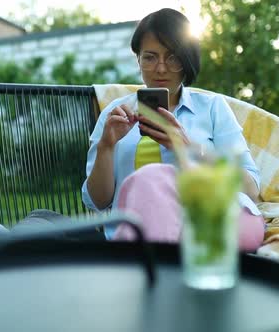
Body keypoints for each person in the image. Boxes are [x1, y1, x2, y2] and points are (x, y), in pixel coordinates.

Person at [81, 8, 265, 252]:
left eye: (173, 58)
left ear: (187, 60)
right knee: (148, 181)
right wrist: (106, 146)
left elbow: (251, 188)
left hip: (211, 218)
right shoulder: (115, 115)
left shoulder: (212, 108)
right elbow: (97, 201)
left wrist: (188, 149)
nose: (160, 69)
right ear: (138, 59)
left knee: (154, 180)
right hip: (142, 229)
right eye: (150, 57)